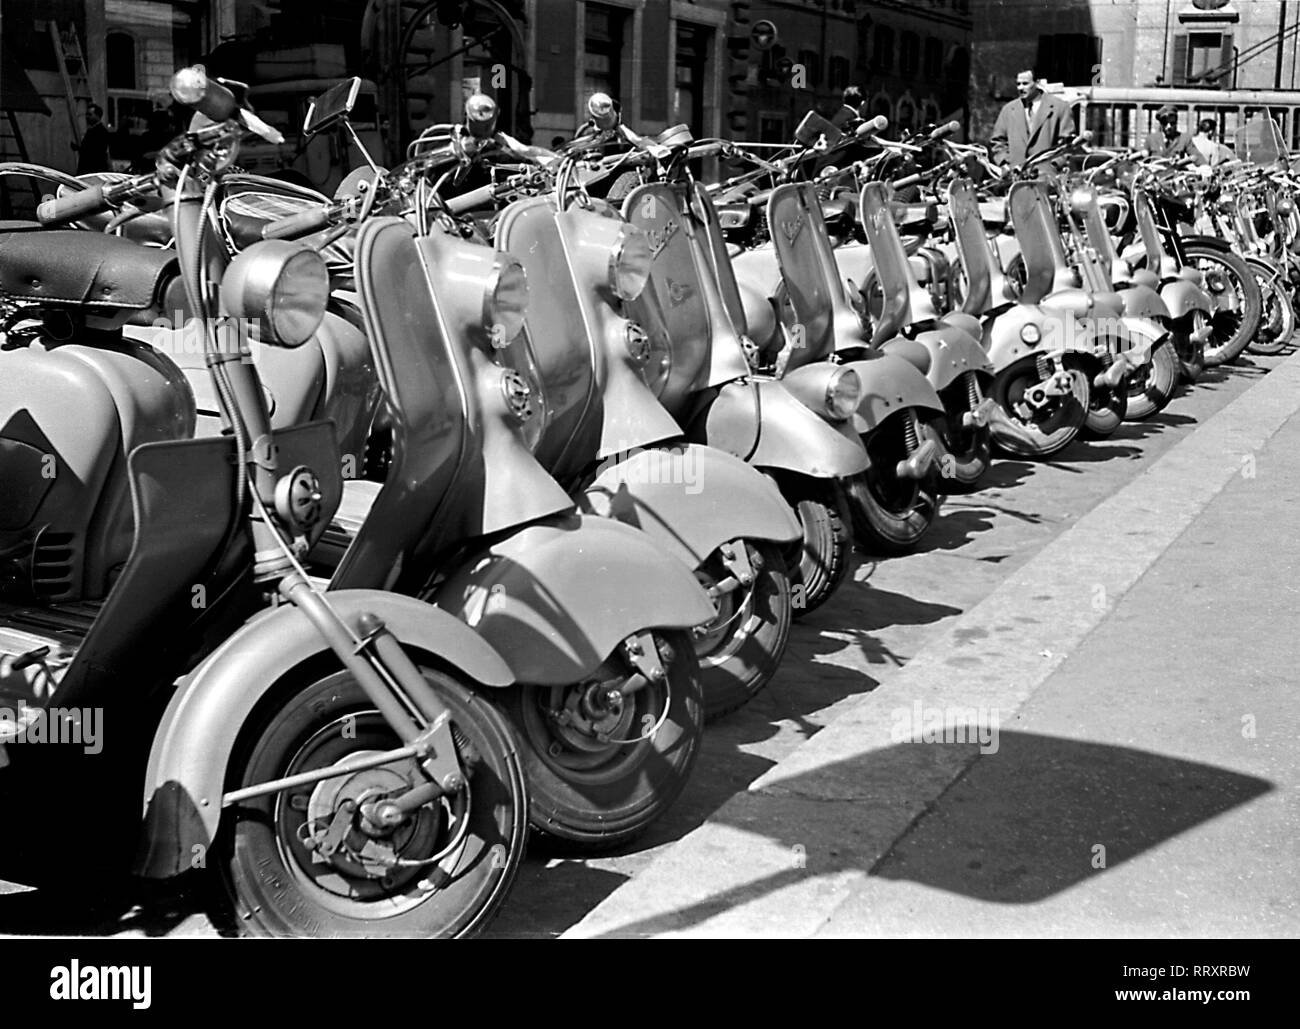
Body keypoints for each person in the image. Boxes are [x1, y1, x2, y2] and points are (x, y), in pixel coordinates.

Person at [990, 69, 1074, 168]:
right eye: (1018, 84)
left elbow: (1067, 145)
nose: (1021, 88)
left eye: (1025, 84)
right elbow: (998, 142)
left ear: (1037, 83)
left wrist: (1054, 165)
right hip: (1016, 177)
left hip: (1047, 177)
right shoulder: (1009, 110)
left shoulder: (1060, 107)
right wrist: (1005, 163)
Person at [74, 102, 111, 174]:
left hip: (93, 170)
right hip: (88, 170)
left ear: (97, 116)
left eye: (90, 115)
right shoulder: (91, 130)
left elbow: (96, 153)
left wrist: (81, 149)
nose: (87, 117)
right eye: (86, 114)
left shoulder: (101, 132)